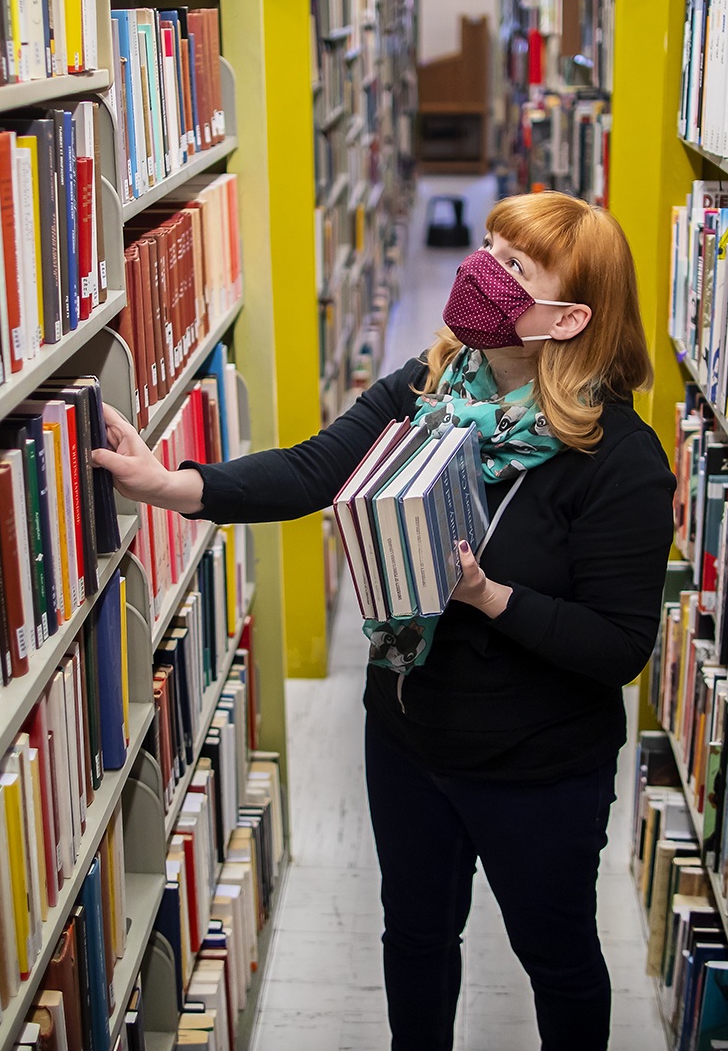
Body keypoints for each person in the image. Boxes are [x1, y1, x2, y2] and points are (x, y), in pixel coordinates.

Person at [90, 191, 675, 1051]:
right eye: (486, 247)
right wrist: (173, 484)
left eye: (514, 266)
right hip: (408, 736)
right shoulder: (431, 387)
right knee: (416, 937)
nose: (482, 270)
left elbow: (619, 646)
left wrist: (487, 596)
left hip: (539, 767)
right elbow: (312, 469)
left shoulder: (620, 460)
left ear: (567, 317)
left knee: (556, 957)